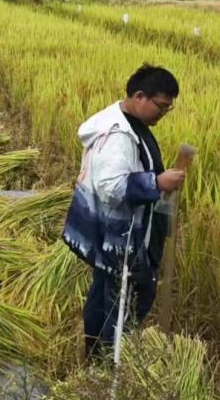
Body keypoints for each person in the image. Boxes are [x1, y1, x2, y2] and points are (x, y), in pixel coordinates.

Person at [62, 65, 187, 359]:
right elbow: (112, 187)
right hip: (118, 238)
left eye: (168, 108)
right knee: (126, 301)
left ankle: (95, 357)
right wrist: (157, 182)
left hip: (109, 234)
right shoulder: (118, 135)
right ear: (140, 96)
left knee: (104, 294)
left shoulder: (129, 122)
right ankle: (110, 362)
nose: (163, 114)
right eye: (161, 106)